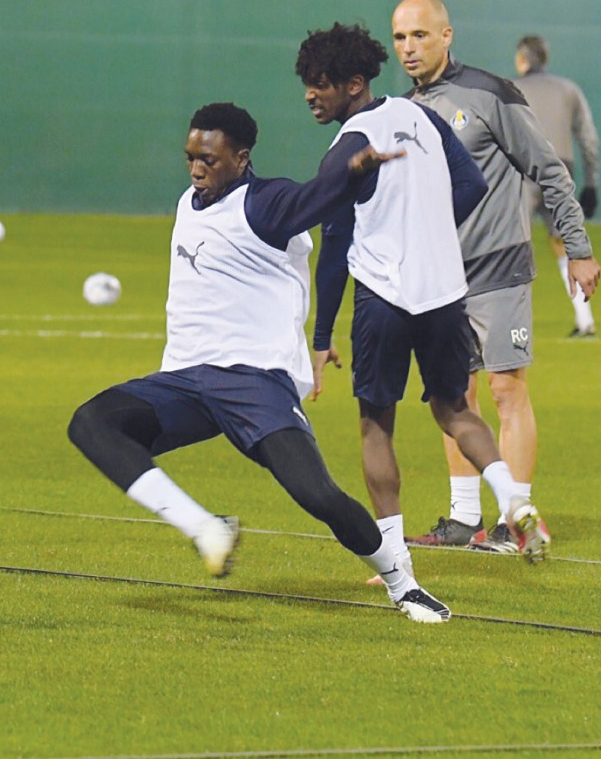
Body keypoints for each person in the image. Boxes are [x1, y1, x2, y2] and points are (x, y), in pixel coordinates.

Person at [67, 101, 452, 624]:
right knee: (92, 423)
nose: (197, 168)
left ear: (242, 158)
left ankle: (402, 583)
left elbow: (310, 200)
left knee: (317, 495)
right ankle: (205, 528)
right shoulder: (190, 201)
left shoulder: (265, 203)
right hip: (185, 381)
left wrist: (351, 174)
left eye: (210, 159)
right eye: (190, 158)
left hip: (254, 383)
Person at [296, 22, 548, 585]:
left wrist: (320, 338)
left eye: (320, 83)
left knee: (376, 426)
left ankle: (395, 565)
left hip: (384, 298)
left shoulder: (347, 147)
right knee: (456, 409)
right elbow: (473, 186)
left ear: (354, 83)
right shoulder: (424, 119)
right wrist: (429, 229)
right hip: (444, 293)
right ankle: (513, 498)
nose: (311, 94)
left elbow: (334, 248)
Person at [391, 0, 600, 553]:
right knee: (453, 395)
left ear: (447, 35)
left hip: (499, 265)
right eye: (400, 38)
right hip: (440, 277)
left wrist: (577, 248)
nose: (408, 48)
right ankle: (462, 520)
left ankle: (511, 523)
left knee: (507, 389)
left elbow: (549, 170)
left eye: (419, 35)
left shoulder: (489, 94)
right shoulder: (404, 111)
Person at [514, 34, 600, 337]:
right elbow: (588, 140)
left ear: (522, 59)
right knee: (567, 246)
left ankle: (510, 323)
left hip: (522, 173)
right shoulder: (568, 90)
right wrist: (591, 184)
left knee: (513, 245)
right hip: (561, 173)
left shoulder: (511, 90)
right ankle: (585, 318)